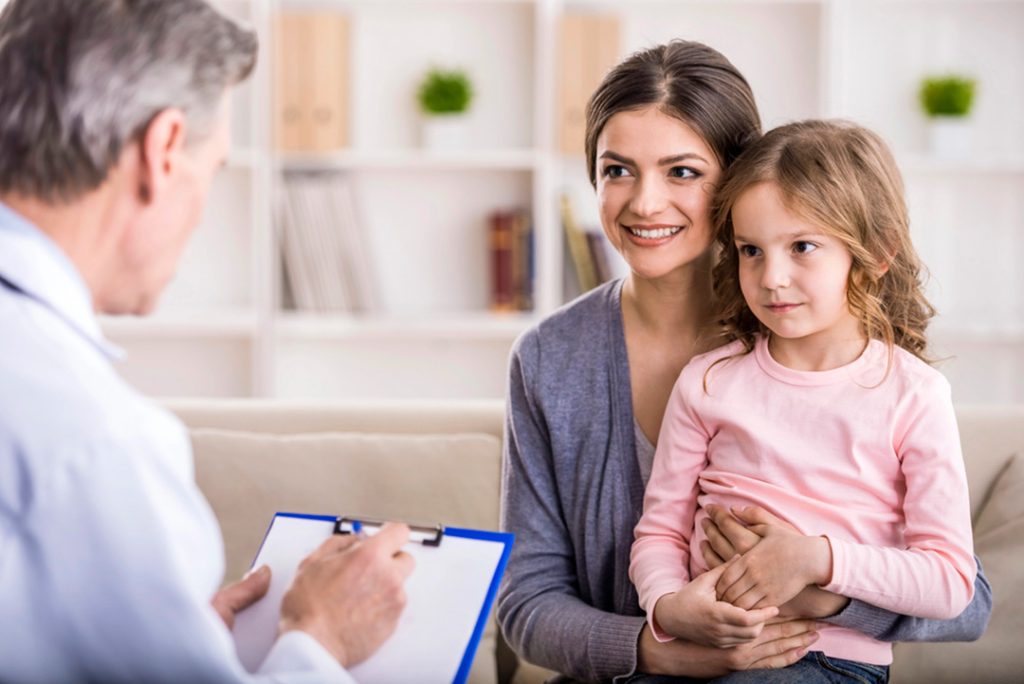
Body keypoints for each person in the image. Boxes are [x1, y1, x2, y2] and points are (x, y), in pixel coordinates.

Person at [497, 41, 992, 683]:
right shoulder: (551, 359)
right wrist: (656, 645)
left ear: (736, 183)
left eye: (681, 172)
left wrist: (819, 589)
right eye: (617, 170)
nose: (645, 203)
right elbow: (526, 604)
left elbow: (965, 601)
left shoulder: (830, 351)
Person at [0, 1, 412, 682]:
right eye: (213, 169)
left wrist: (171, 635)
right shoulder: (98, 445)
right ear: (162, 152)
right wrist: (320, 640)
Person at [629, 120, 977, 683]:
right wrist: (668, 608)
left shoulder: (913, 395)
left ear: (876, 254)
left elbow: (950, 581)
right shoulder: (708, 381)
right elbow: (660, 531)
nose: (773, 278)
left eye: (803, 246)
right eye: (751, 250)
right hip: (696, 656)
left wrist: (817, 560)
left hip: (825, 660)